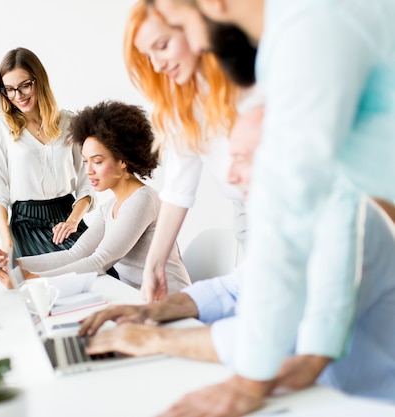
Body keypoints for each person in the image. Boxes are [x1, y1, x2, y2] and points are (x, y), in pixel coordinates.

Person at [147, 0, 395, 415]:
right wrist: (318, 351)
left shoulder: (312, 26)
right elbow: (334, 202)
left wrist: (250, 378)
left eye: (180, 26)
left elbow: (291, 208)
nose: (193, 44)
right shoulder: (285, 43)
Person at [79, 103, 395, 406]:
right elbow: (233, 289)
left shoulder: (343, 220)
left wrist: (155, 341)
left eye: (242, 159)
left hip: (362, 403)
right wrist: (150, 313)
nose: (230, 176)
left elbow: (273, 334)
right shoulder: (288, 218)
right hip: (311, 391)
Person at [0, 101, 190, 294]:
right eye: (85, 161)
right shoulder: (109, 208)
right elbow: (75, 254)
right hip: (136, 298)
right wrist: (16, 264)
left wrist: (32, 279)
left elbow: (99, 262)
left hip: (170, 301)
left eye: (98, 161)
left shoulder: (143, 200)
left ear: (123, 160)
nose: (89, 171)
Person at [123, 1, 250, 302]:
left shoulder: (249, 80)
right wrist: (153, 267)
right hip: (249, 222)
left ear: (193, 25)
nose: (157, 65)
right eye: (148, 55)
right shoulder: (185, 106)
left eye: (163, 46)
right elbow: (177, 190)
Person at [0, 47, 94, 257]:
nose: (18, 96)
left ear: (39, 80)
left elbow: (86, 184)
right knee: (54, 276)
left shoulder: (70, 122)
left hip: (68, 217)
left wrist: (73, 220)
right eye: (9, 89)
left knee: (105, 272)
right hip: (27, 223)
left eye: (24, 86)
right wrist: (7, 242)